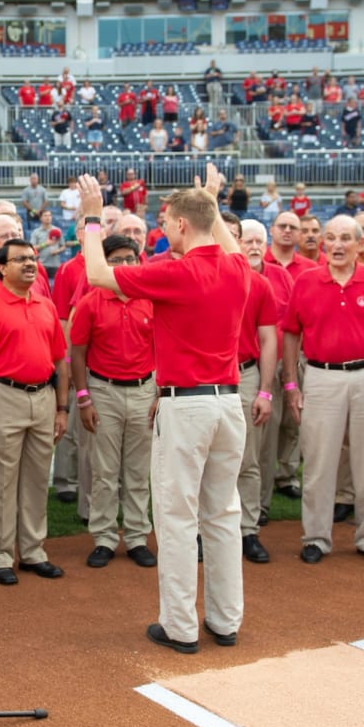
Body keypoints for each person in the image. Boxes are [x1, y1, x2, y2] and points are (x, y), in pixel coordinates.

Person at [80, 166, 249, 654]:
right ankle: (224, 619)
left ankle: (180, 625)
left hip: (187, 405)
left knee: (176, 517)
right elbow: (217, 233)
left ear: (178, 225)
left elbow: (97, 274)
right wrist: (208, 199)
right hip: (227, 403)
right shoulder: (238, 266)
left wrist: (93, 219)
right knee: (222, 513)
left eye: (167, 220)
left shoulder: (176, 270)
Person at [281, 216, 364, 565]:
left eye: (344, 239)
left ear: (359, 243)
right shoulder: (306, 281)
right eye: (331, 238)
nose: (337, 245)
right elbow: (291, 333)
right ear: (323, 242)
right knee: (319, 461)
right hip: (322, 376)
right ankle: (316, 538)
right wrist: (291, 384)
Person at [0, 236, 69, 585]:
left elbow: (60, 360)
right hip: (3, 395)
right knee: (0, 481)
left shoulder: (45, 305)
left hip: (42, 396)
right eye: (20, 259)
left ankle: (34, 551)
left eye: (33, 258)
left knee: (38, 479)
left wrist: (61, 408)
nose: (29, 264)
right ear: (1, 268)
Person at [70, 234, 157, 570]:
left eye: (129, 259)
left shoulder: (150, 298)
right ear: (105, 263)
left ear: (139, 261)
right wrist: (83, 398)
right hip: (102, 389)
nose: (124, 265)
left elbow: (161, 346)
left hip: (143, 390)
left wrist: (159, 390)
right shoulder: (92, 301)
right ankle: (104, 537)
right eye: (117, 259)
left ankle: (136, 536)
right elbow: (77, 353)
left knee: (137, 472)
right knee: (104, 472)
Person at [231, 221, 284, 563]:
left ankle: (247, 530)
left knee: (248, 458)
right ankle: (206, 532)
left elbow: (269, 340)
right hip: (204, 378)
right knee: (207, 461)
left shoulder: (259, 284)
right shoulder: (195, 278)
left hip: (245, 374)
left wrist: (265, 391)